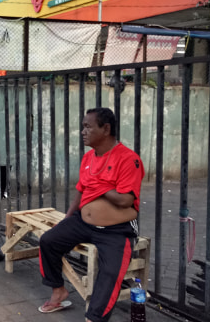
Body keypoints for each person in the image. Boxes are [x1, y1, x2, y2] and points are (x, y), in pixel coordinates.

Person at [37, 107, 145, 322]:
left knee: (111, 272)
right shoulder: (88, 158)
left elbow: (126, 200)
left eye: (88, 127)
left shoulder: (127, 159)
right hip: (83, 223)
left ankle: (94, 318)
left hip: (116, 229)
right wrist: (67, 219)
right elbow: (81, 190)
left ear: (106, 129)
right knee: (48, 241)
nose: (83, 131)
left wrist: (102, 188)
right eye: (83, 127)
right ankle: (59, 291)